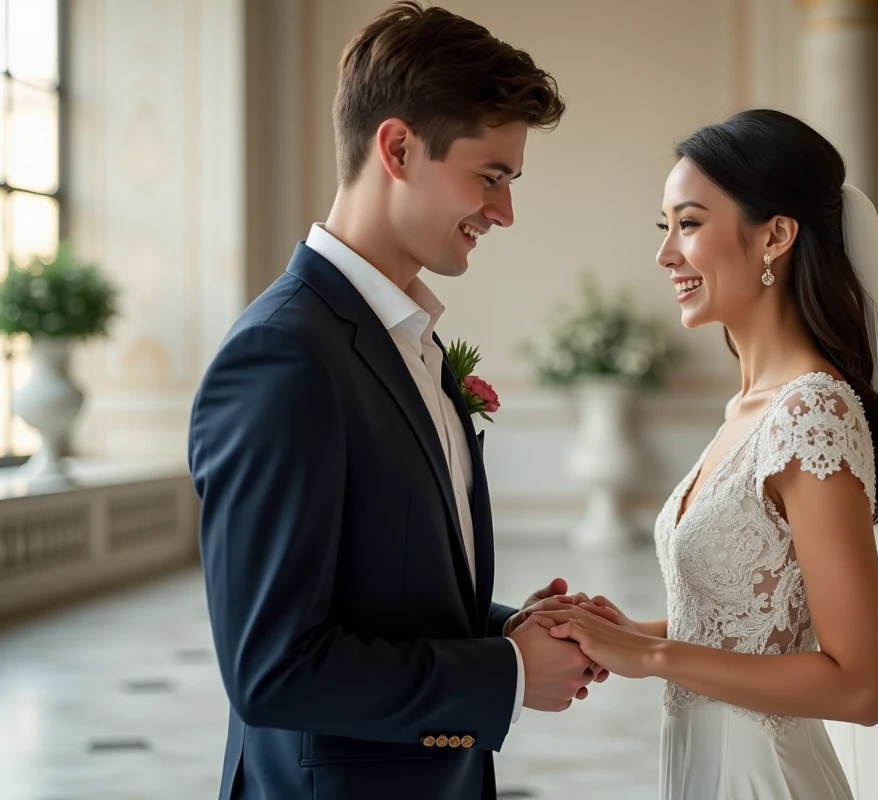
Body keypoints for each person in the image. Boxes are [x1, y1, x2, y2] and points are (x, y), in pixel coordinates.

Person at [187, 4, 612, 799]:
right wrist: (510, 674)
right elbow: (274, 669)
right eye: (491, 176)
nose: (504, 212)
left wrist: (513, 631)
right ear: (398, 147)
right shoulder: (282, 357)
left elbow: (382, 593)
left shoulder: (409, 341)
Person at [531, 110, 878, 800]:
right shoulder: (749, 410)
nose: (666, 254)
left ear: (776, 235)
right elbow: (760, 627)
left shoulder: (811, 414)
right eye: (663, 226)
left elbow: (860, 683)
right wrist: (634, 631)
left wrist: (656, 656)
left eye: (688, 224)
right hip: (704, 768)